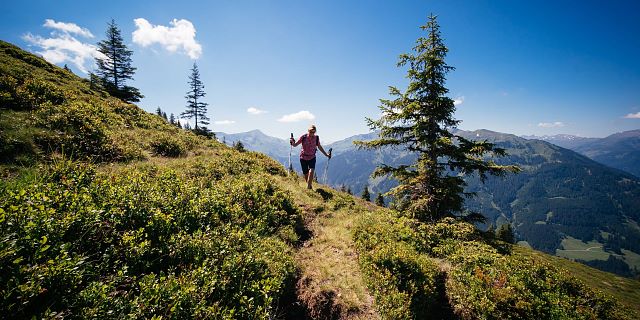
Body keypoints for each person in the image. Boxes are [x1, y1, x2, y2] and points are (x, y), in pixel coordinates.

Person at [290, 124, 331, 189]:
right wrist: (292, 141)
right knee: (306, 174)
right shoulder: (303, 137)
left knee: (311, 171)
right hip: (303, 157)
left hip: (312, 157)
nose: (312, 133)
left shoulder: (316, 138)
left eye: (313, 132)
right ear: (308, 131)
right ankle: (309, 186)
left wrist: (326, 154)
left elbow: (319, 146)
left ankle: (308, 187)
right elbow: (295, 145)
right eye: (311, 131)